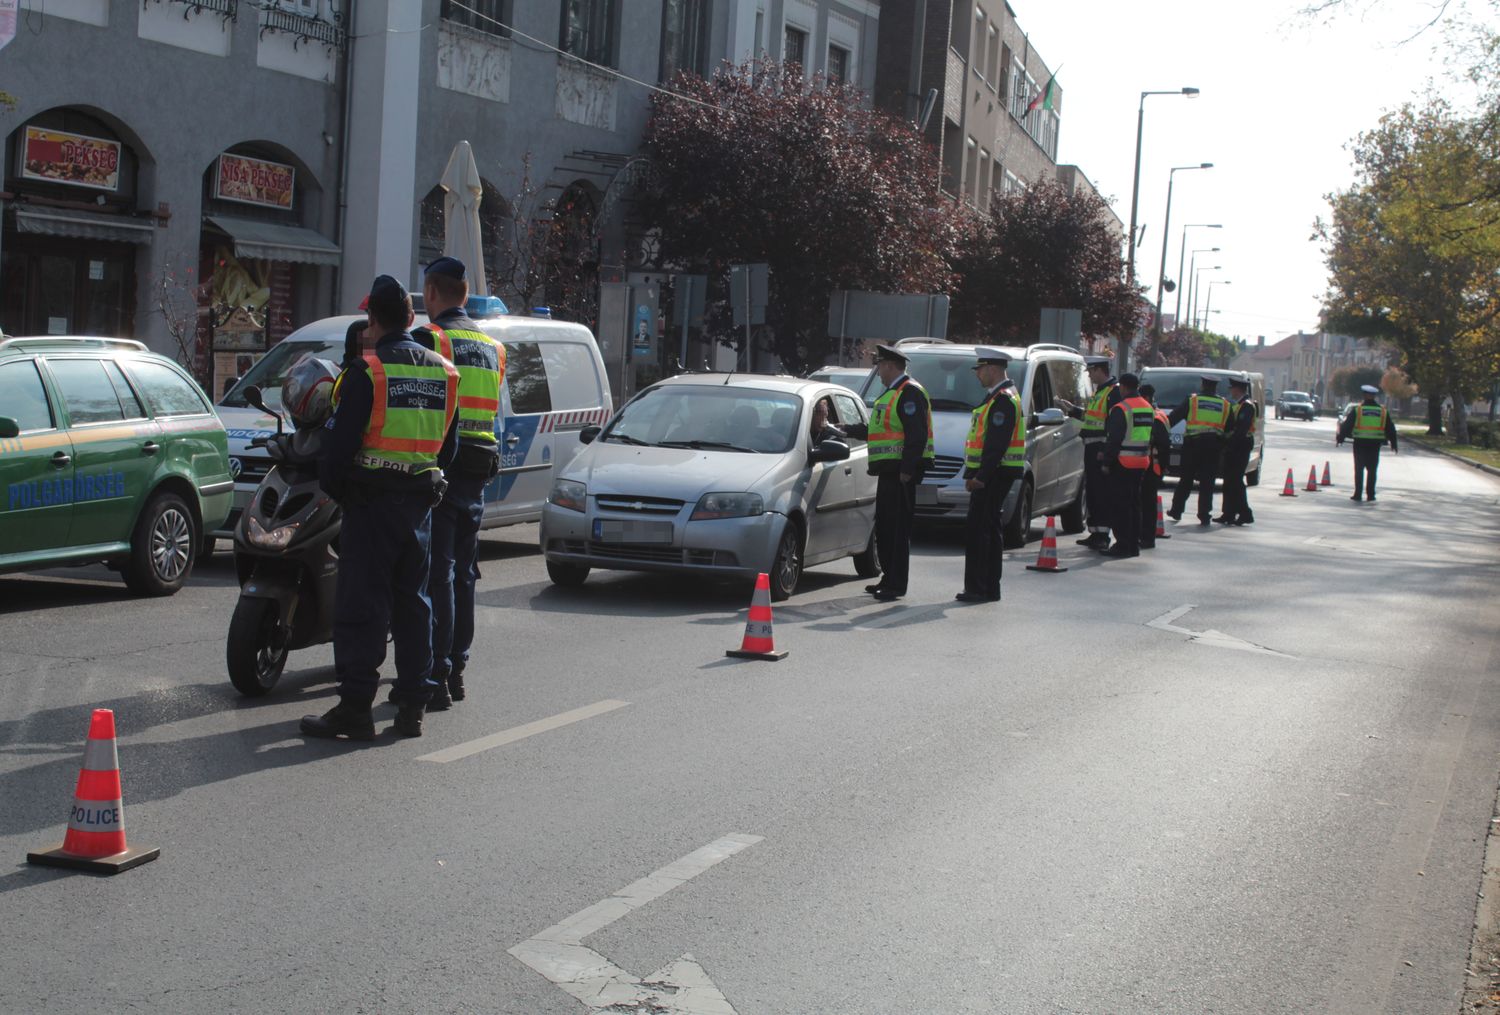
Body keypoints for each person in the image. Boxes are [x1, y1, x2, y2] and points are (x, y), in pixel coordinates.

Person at [301, 275, 460, 741]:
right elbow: (448, 450)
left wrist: (345, 494)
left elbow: (336, 452)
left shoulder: (367, 372)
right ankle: (412, 708)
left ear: (371, 320)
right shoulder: (445, 372)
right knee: (414, 605)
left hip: (370, 506)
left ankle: (355, 708)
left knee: (362, 607)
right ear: (410, 317)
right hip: (419, 508)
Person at [410, 257, 505, 709]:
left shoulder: (432, 339)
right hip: (479, 469)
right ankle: (458, 668)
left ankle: (439, 671)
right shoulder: (493, 347)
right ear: (465, 294)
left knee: (439, 574)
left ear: (431, 292)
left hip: (443, 466)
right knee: (464, 574)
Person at [861, 344, 933, 601]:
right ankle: (888, 577)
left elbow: (917, 435)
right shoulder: (893, 392)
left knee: (897, 530)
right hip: (889, 471)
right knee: (886, 527)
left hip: (900, 473)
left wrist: (907, 469)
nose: (878, 372)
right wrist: (843, 428)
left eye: (880, 366)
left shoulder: (909, 392)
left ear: (890, 366)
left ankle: (896, 584)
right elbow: (879, 431)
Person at [956, 348, 1022, 602]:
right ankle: (987, 587)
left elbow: (996, 444)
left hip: (994, 474)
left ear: (992, 369)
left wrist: (981, 477)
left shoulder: (1002, 400)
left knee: (981, 531)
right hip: (994, 473)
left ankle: (980, 587)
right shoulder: (999, 396)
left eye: (980, 370)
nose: (977, 375)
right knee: (988, 529)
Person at [1058, 356, 1121, 549]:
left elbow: (1113, 425)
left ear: (1099, 370)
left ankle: (1102, 536)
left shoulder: (1113, 393)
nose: (1089, 376)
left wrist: (1107, 453)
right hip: (1092, 449)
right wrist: (1073, 410)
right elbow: (1092, 417)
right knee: (1093, 491)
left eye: (1091, 372)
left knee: (1101, 493)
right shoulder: (1100, 392)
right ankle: (1095, 533)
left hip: (1101, 449)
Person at [1100, 373, 1155, 557]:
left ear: (1123, 387)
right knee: (1135, 505)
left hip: (1123, 463)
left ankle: (1122, 545)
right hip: (1141, 462)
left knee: (1120, 506)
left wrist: (1107, 462)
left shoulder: (1122, 408)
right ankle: (1133, 545)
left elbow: (1114, 438)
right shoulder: (1148, 407)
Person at [1167, 376, 1229, 525]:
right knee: (1208, 482)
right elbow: (1230, 427)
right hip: (1213, 448)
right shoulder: (1225, 404)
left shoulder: (1193, 400)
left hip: (1192, 446)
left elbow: (1173, 418)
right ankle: (1204, 515)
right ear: (1215, 388)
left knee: (1186, 480)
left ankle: (1176, 510)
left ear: (1202, 385)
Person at [1337, 383, 1398, 501]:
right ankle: (1371, 495)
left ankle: (1358, 494)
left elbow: (1346, 426)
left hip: (1360, 444)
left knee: (1359, 469)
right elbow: (1390, 428)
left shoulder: (1358, 410)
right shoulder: (1383, 411)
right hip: (1375, 445)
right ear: (1374, 396)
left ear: (1364, 395)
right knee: (1372, 470)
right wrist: (1393, 443)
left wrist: (1340, 439)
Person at [1216, 376, 1257, 525]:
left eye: (1232, 388)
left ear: (1238, 389)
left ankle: (1245, 513)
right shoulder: (1238, 405)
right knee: (1229, 481)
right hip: (1235, 447)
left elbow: (1241, 430)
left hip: (1240, 447)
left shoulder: (1247, 406)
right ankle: (1229, 513)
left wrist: (1230, 444)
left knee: (1235, 481)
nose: (1230, 391)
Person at [1137, 383, 1173, 550]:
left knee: (1147, 504)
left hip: (1151, 467)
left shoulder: (1153, 417)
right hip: (1152, 466)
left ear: (1145, 398)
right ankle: (1145, 537)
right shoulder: (1160, 415)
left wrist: (1162, 468)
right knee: (1146, 503)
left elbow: (1163, 445)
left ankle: (1146, 538)